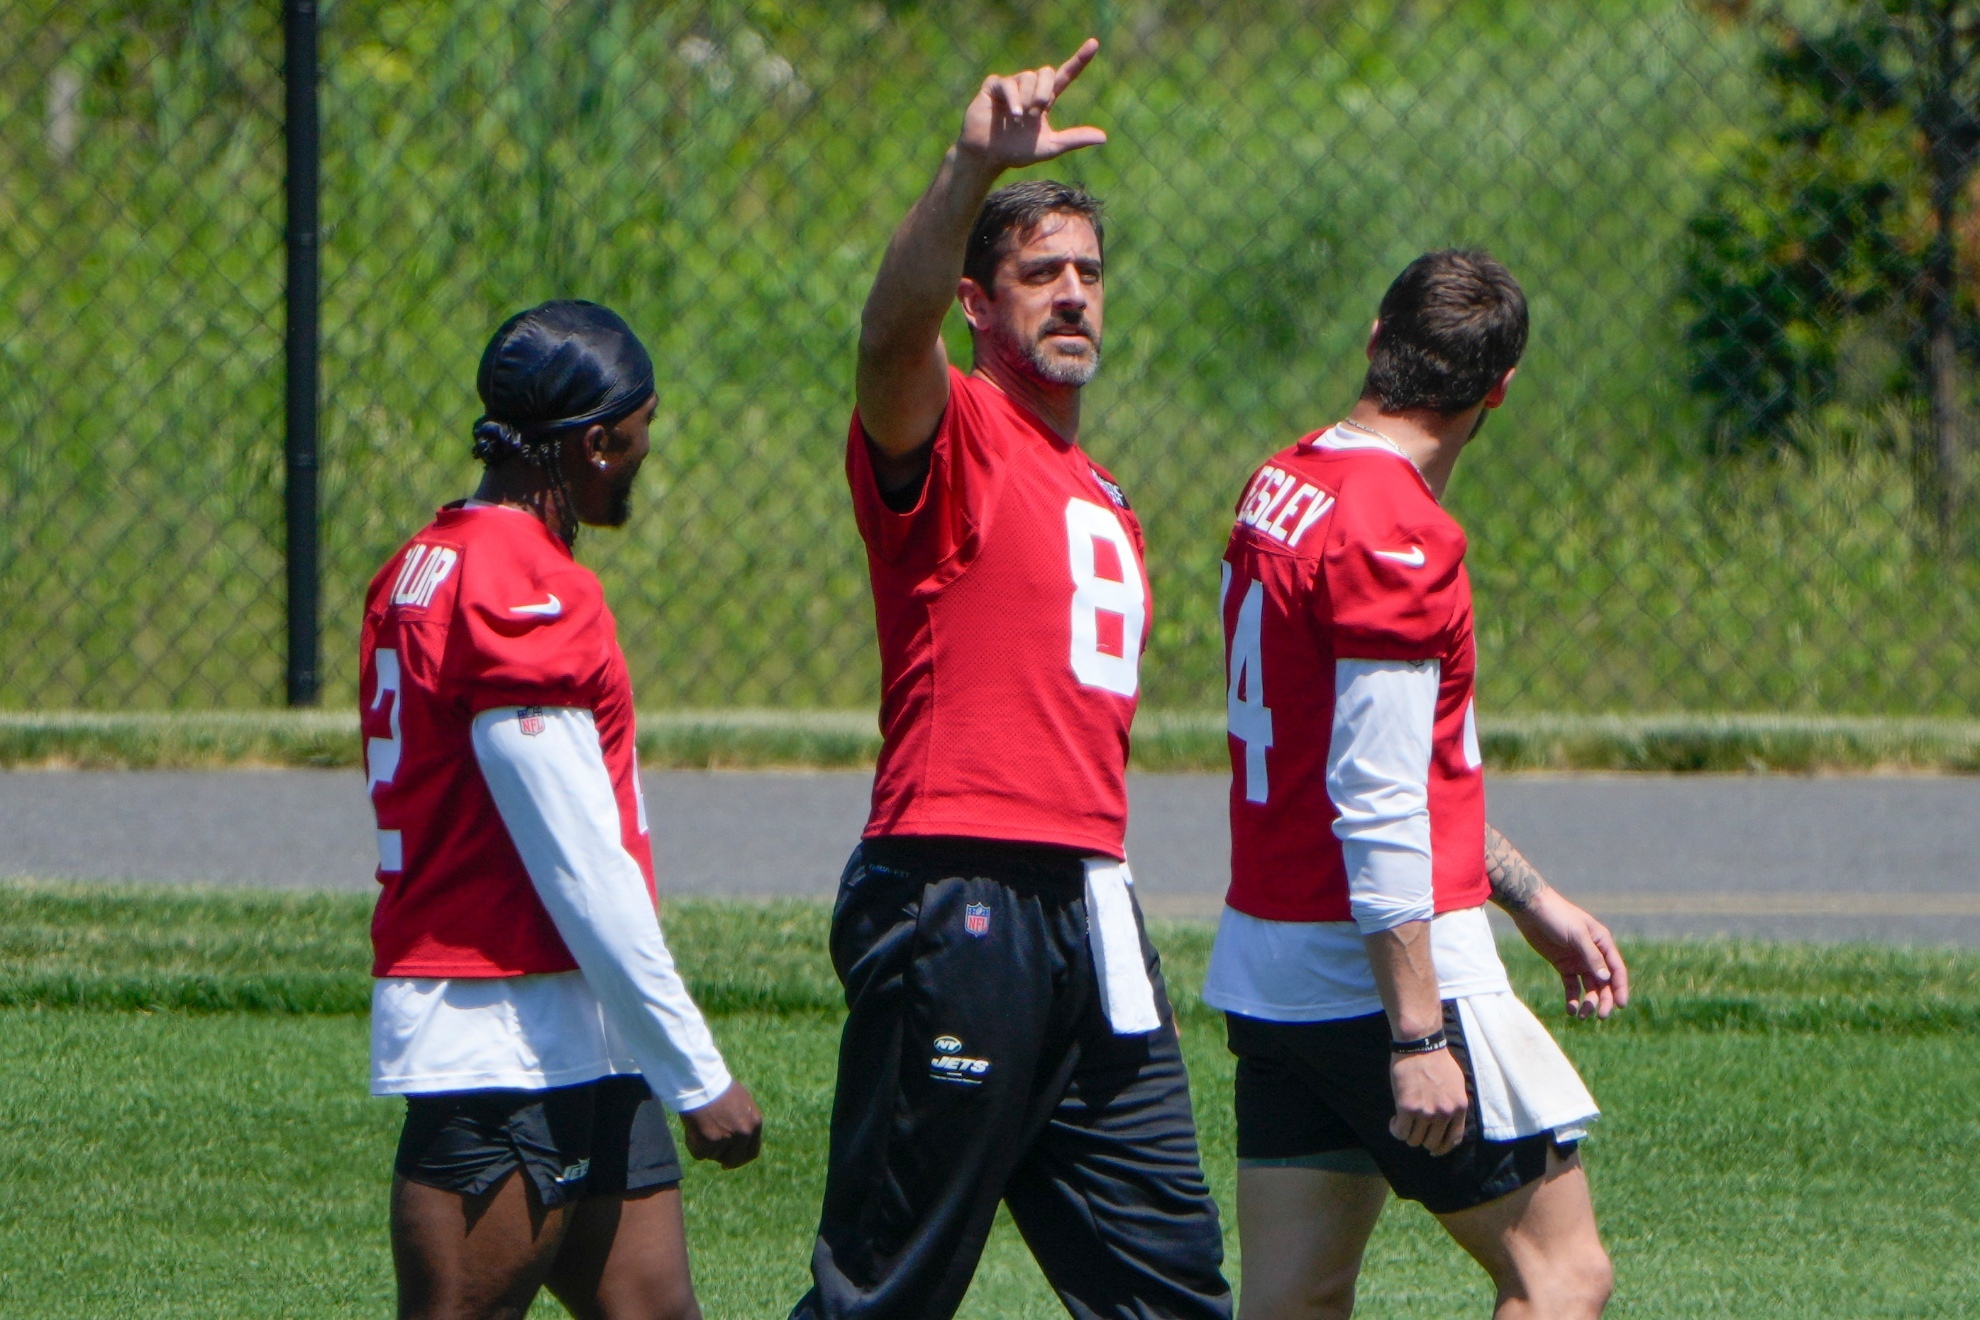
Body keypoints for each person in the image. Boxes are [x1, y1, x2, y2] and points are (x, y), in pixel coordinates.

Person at [790, 39, 1232, 1320]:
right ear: (981, 307)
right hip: (957, 885)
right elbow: (886, 335)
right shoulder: (956, 428)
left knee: (1172, 1288)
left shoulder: (1102, 493)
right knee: (887, 1289)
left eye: (1090, 274)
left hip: (1094, 907)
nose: (1075, 295)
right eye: (1041, 274)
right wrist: (971, 165)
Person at [1204, 251, 1627, 1319]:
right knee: (1560, 1275)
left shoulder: (1284, 481)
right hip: (1376, 971)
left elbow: (1383, 763)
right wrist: (1419, 1034)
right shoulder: (1396, 534)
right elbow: (1379, 795)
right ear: (1500, 389)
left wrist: (1531, 898)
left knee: (1294, 1299)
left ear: (1375, 337)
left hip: (1273, 963)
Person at [359, 300, 763, 1320]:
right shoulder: (519, 581)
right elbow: (577, 857)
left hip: (581, 1033)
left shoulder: (428, 558)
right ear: (592, 441)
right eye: (638, 432)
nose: (642, 456)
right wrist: (696, 1070)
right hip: (499, 1037)